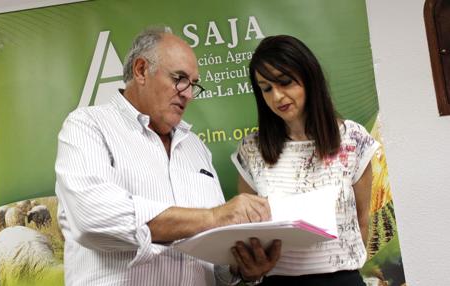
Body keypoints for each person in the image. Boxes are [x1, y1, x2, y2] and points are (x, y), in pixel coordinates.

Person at [54, 27, 281, 286]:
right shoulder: (88, 126)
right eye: (180, 78)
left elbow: (214, 266)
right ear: (141, 70)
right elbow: (92, 218)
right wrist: (212, 217)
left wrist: (241, 269)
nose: (188, 94)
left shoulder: (196, 148)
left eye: (193, 84)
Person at [231, 35, 380, 285]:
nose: (277, 96)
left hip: (343, 279)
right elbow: (250, 231)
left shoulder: (353, 139)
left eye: (285, 82)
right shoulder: (251, 149)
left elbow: (362, 221)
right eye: (266, 88)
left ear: (309, 77)